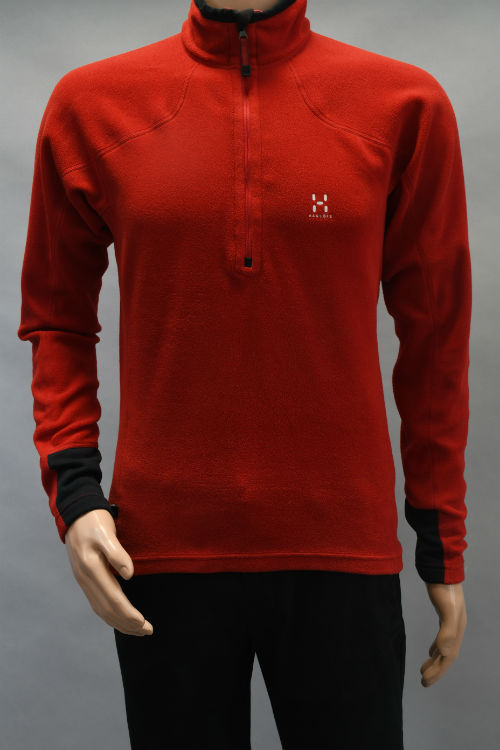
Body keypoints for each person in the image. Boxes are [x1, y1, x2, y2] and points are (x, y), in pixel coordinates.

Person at [17, 0, 471, 747]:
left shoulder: (403, 105)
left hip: (341, 546)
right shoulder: (92, 105)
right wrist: (76, 492)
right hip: (160, 550)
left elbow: (436, 341)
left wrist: (440, 534)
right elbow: (56, 319)